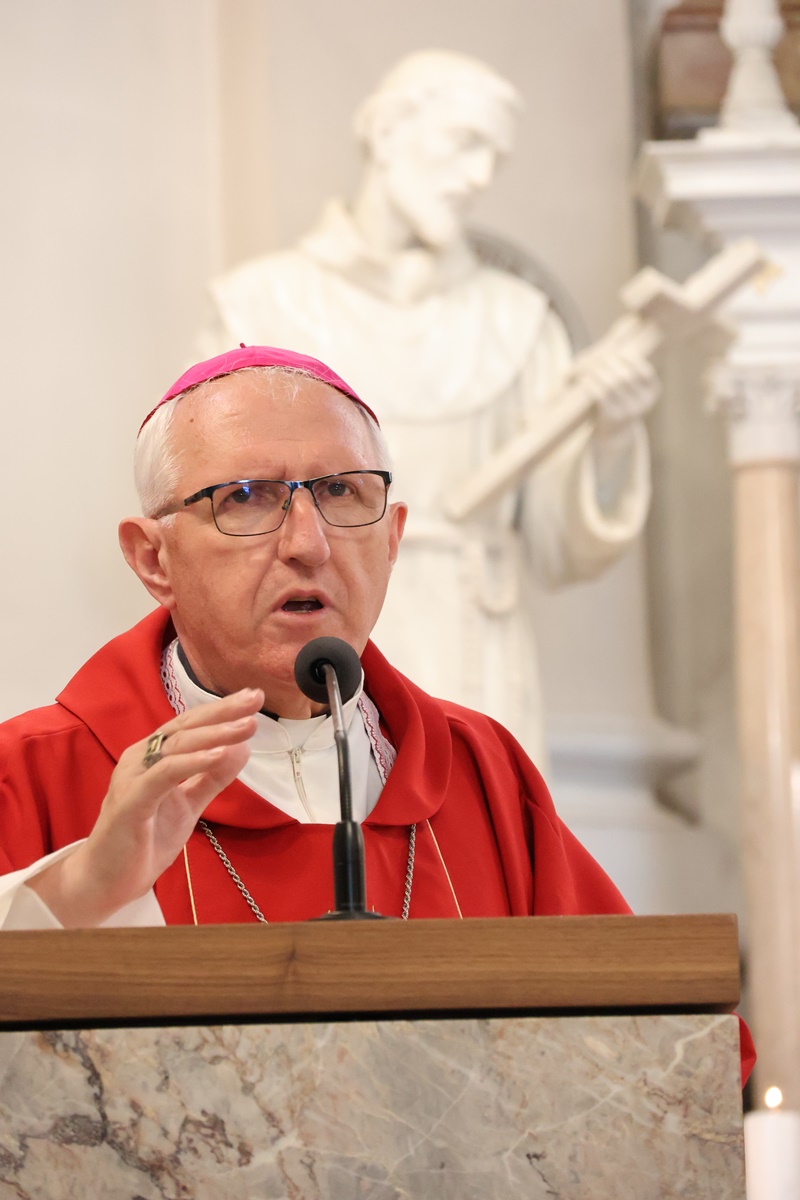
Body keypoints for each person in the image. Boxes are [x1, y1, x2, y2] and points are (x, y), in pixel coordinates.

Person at [0, 344, 632, 931]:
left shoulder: (487, 776)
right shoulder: (30, 776)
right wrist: (79, 890)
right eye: (246, 496)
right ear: (153, 560)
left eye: (340, 490)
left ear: (391, 540)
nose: (309, 544)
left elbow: (631, 1004)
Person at [198, 50, 658, 764]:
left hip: (473, 645)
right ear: (387, 133)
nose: (478, 177)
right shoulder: (263, 304)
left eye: (493, 159)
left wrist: (614, 434)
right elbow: (211, 509)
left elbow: (560, 544)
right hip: (310, 634)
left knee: (471, 821)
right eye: (464, 143)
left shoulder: (517, 319)